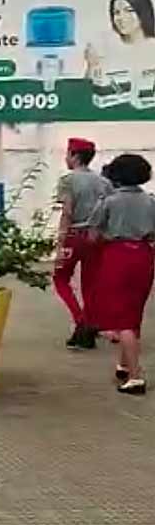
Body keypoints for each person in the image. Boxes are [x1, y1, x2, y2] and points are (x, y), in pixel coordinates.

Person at [89, 153, 155, 395]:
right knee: (134, 310)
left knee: (121, 317)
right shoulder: (151, 201)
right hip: (144, 257)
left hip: (117, 256)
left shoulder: (109, 201)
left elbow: (93, 236)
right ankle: (124, 364)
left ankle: (136, 376)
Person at [54, 137, 113, 350]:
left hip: (74, 235)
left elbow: (67, 212)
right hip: (97, 238)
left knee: (60, 278)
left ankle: (81, 322)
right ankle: (89, 324)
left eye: (68, 153)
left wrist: (61, 243)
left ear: (75, 156)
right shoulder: (105, 183)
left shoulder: (68, 180)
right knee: (91, 284)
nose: (65, 158)